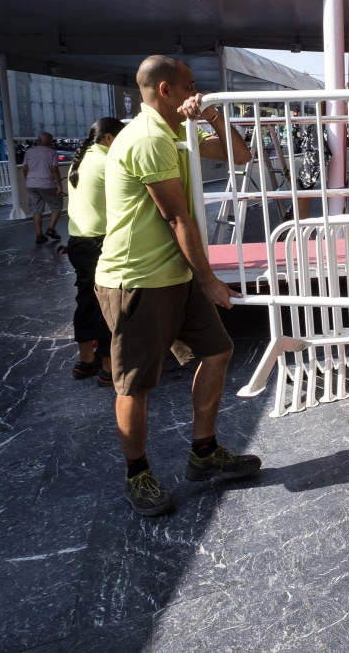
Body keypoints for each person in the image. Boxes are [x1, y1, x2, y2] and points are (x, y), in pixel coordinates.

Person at [94, 55, 257, 517]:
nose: (196, 91)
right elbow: (176, 215)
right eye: (190, 85)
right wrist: (208, 280)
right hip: (137, 277)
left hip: (174, 273)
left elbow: (240, 156)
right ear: (165, 89)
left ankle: (203, 453)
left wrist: (211, 117)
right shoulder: (147, 139)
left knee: (218, 350)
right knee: (135, 384)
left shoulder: (176, 134)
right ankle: (138, 474)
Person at [64, 117, 124, 384]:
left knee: (86, 301)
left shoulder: (80, 161)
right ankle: (109, 368)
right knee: (108, 304)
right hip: (99, 243)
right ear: (109, 138)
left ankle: (85, 361)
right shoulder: (106, 162)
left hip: (77, 241)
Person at [21, 131, 63, 244]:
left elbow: (24, 168)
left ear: (39, 140)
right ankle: (51, 229)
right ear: (49, 142)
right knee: (57, 206)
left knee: (36, 210)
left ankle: (39, 235)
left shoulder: (29, 152)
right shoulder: (52, 152)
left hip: (31, 184)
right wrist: (59, 186)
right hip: (47, 184)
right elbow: (54, 170)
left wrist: (28, 179)